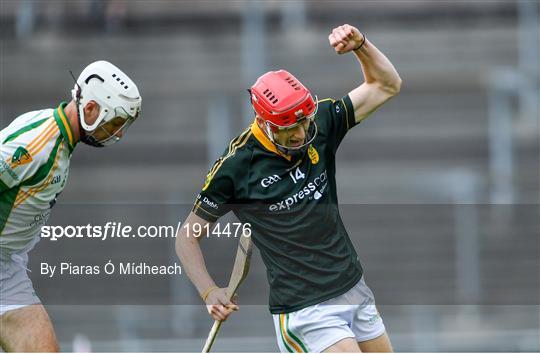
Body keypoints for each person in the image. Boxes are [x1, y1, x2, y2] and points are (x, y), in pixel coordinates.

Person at [176, 24, 401, 352]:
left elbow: (386, 84)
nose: (300, 133)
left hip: (353, 287)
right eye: (289, 128)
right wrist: (209, 291)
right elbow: (187, 237)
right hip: (306, 308)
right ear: (265, 122)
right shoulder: (237, 166)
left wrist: (361, 45)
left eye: (304, 122)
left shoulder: (321, 122)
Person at [0, 60, 142, 352]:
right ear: (90, 109)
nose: (118, 134)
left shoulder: (60, 143)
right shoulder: (36, 144)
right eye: (115, 123)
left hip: (8, 268)